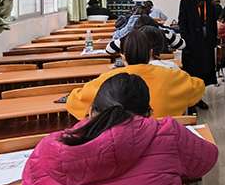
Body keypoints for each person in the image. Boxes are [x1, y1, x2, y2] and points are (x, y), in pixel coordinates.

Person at [23, 73, 218, 185]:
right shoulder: (167, 134)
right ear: (148, 113)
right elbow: (207, 159)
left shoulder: (46, 149)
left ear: (91, 111)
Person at [66, 31, 206, 120]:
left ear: (122, 56)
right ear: (150, 53)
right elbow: (199, 86)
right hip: (164, 137)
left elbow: (74, 101)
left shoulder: (108, 79)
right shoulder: (172, 75)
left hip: (123, 142)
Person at [177, 0, 218, 109]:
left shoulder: (210, 3)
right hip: (193, 43)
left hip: (207, 43)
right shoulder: (186, 2)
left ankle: (198, 98)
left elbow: (213, 23)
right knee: (192, 72)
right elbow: (182, 23)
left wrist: (214, 40)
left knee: (204, 73)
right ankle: (190, 101)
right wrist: (187, 39)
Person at [106, 16, 184, 55]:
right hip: (162, 68)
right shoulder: (165, 33)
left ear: (136, 27)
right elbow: (181, 46)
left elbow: (109, 50)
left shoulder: (129, 37)